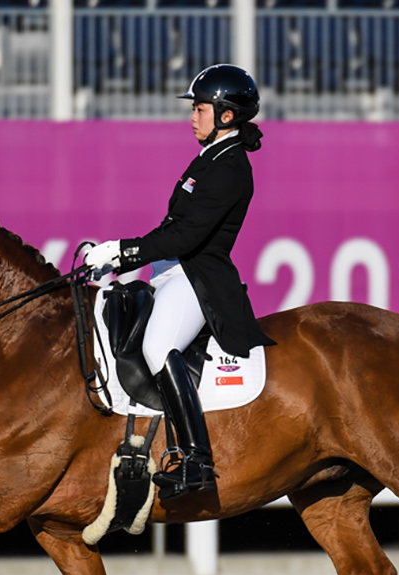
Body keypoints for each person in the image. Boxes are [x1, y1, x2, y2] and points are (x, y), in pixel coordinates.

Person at [85, 63, 276, 502]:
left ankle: (196, 460)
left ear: (226, 115)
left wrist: (123, 251)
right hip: (173, 271)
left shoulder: (230, 167)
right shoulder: (211, 157)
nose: (192, 117)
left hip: (198, 276)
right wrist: (120, 258)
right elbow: (171, 230)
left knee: (158, 347)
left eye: (200, 109)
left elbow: (187, 237)